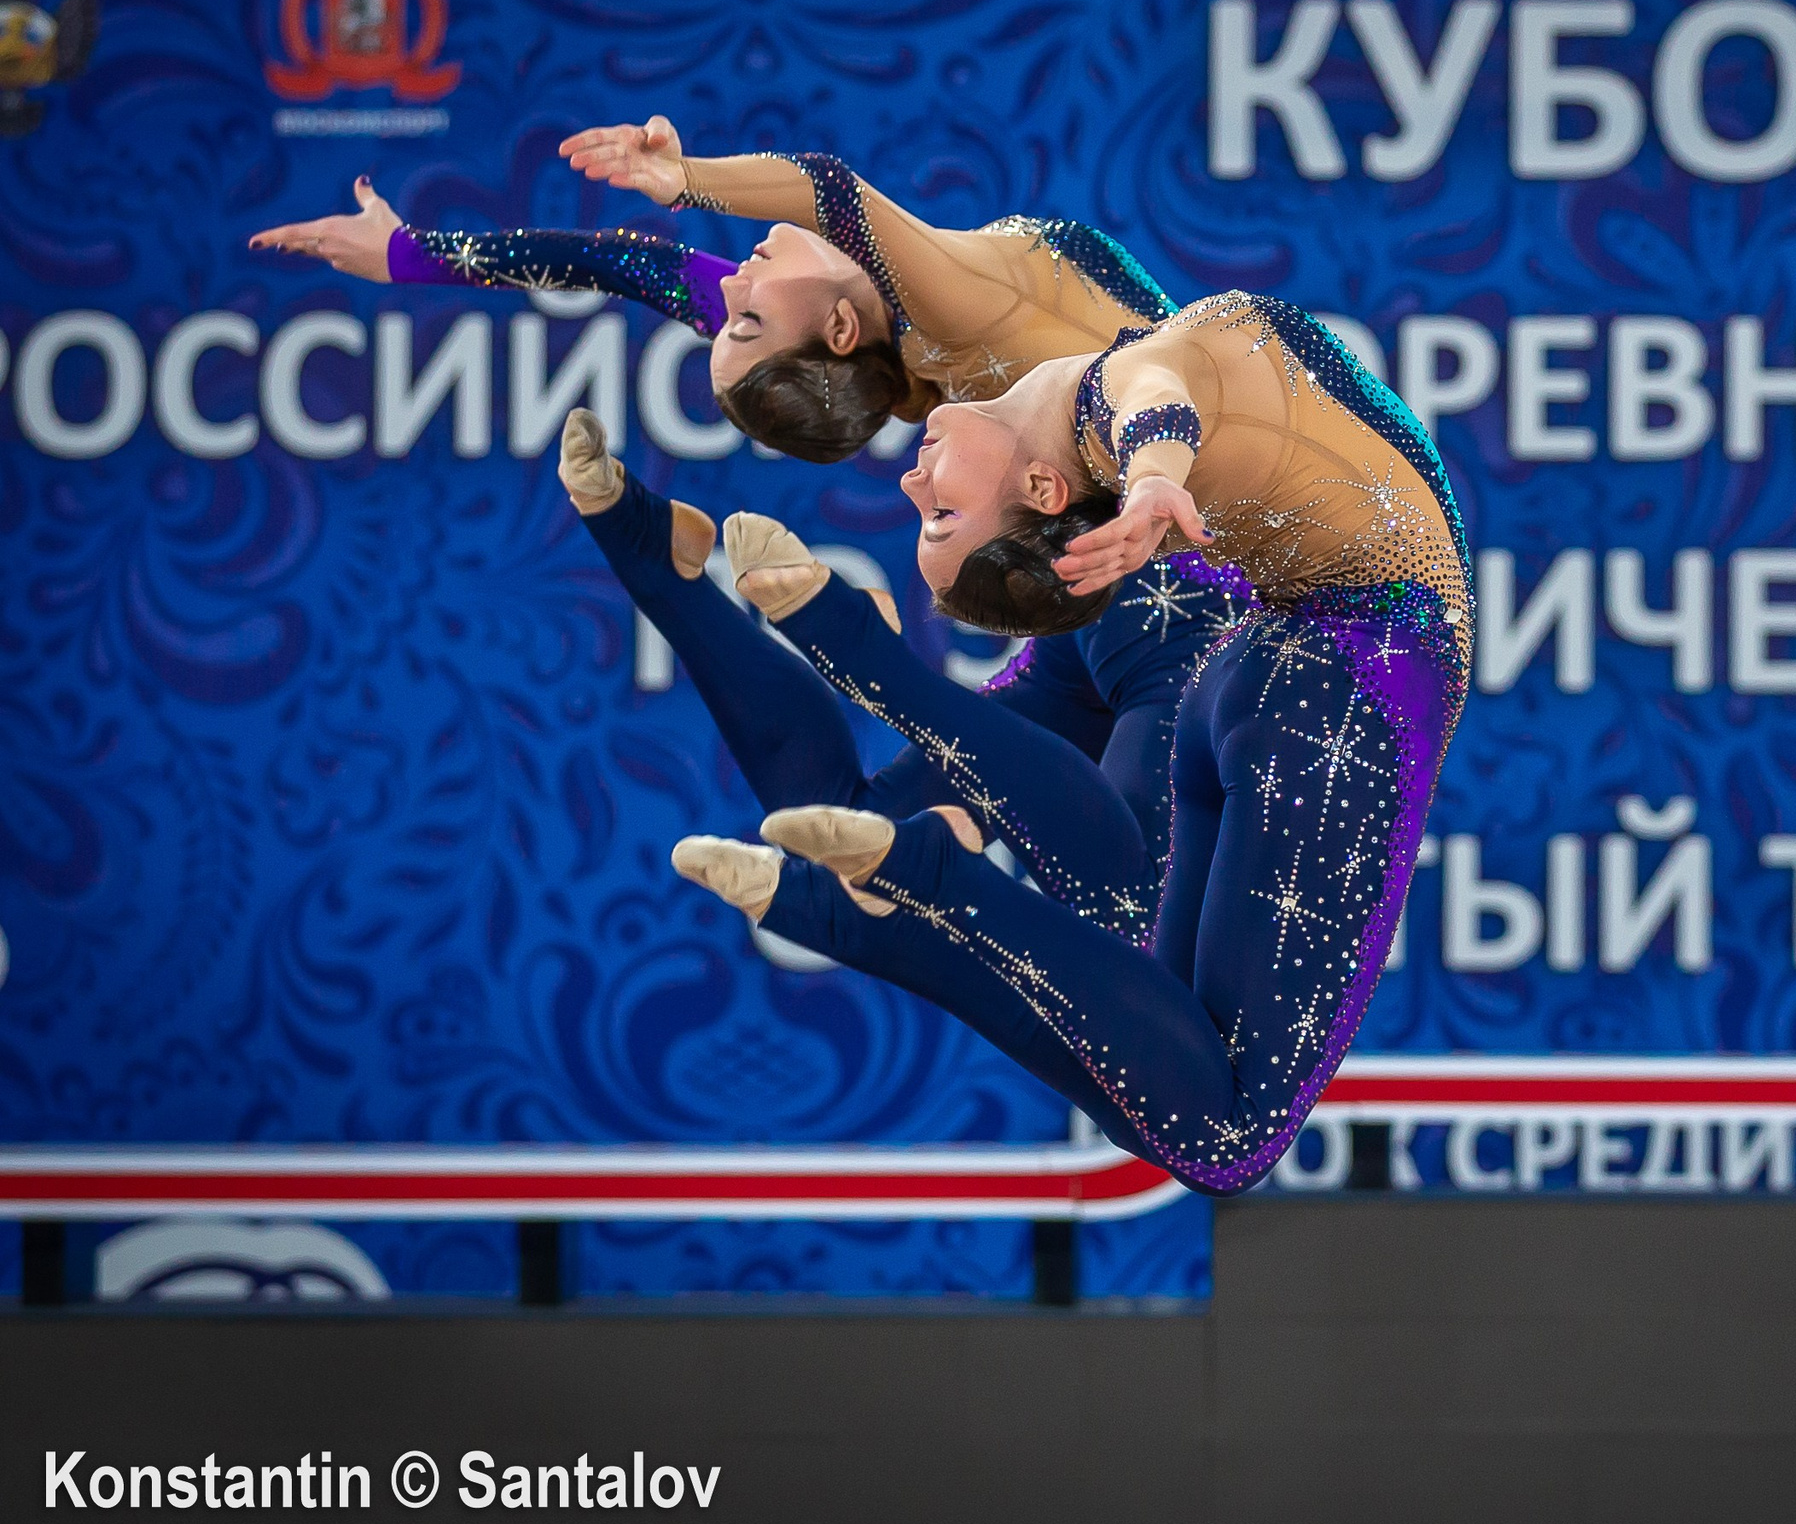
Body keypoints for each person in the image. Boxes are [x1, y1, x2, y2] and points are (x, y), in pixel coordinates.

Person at [249, 164, 1245, 931]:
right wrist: (421, 252)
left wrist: (420, 254)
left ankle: (676, 574)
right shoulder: (922, 327)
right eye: (744, 313)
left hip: (1119, 620)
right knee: (1077, 896)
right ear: (844, 328)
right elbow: (752, 222)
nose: (733, 277)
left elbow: (638, 267)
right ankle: (808, 636)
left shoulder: (898, 329)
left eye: (737, 314)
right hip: (1153, 626)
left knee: (881, 845)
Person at [671, 291, 1472, 1194]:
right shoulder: (1100, 397)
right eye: (938, 518)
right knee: (1222, 1136)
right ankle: (924, 857)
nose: (908, 483)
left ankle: (910, 906)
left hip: (1266, 669)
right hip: (1345, 669)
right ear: (1047, 492)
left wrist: (686, 215)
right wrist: (1157, 468)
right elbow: (1151, 394)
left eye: (930, 518)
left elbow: (834, 259)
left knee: (1161, 1082)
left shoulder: (1081, 380)